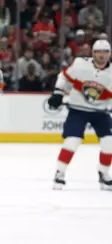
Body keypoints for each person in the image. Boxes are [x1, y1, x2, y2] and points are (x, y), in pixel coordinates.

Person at [47, 39, 112, 190]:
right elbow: (64, 77)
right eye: (98, 52)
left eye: (105, 52)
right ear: (92, 53)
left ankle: (103, 173)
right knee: (72, 141)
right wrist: (58, 92)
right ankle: (60, 173)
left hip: (100, 112)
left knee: (109, 142)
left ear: (110, 54)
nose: (101, 55)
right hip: (78, 110)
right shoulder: (80, 64)